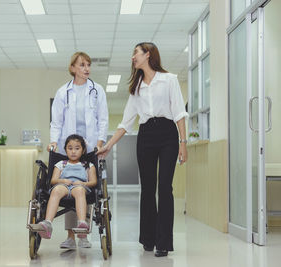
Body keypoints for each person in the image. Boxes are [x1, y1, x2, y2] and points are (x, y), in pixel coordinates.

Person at [97, 42, 188, 257]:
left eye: (135, 53)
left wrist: (183, 143)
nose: (132, 57)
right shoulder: (136, 88)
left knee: (165, 187)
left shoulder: (169, 80)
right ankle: (148, 238)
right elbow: (126, 123)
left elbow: (179, 114)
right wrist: (109, 145)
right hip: (146, 135)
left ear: (148, 55)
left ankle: (163, 242)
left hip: (168, 135)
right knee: (147, 188)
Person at [48, 52, 108, 249]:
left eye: (88, 64)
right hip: (68, 147)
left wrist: (100, 142)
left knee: (83, 188)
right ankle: (70, 237)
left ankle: (83, 235)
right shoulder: (62, 92)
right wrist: (54, 143)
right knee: (68, 191)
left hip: (89, 147)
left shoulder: (97, 90)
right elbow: (56, 122)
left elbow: (103, 119)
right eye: (82, 65)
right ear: (73, 68)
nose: (86, 68)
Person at [38, 135, 97, 240]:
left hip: (80, 186)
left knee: (79, 191)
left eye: (77, 148)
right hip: (64, 185)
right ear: (65, 150)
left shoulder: (88, 165)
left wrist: (83, 184)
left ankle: (82, 224)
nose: (73, 151)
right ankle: (48, 223)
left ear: (83, 150)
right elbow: (53, 181)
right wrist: (63, 181)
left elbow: (94, 182)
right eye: (70, 148)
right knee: (56, 190)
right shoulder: (61, 164)